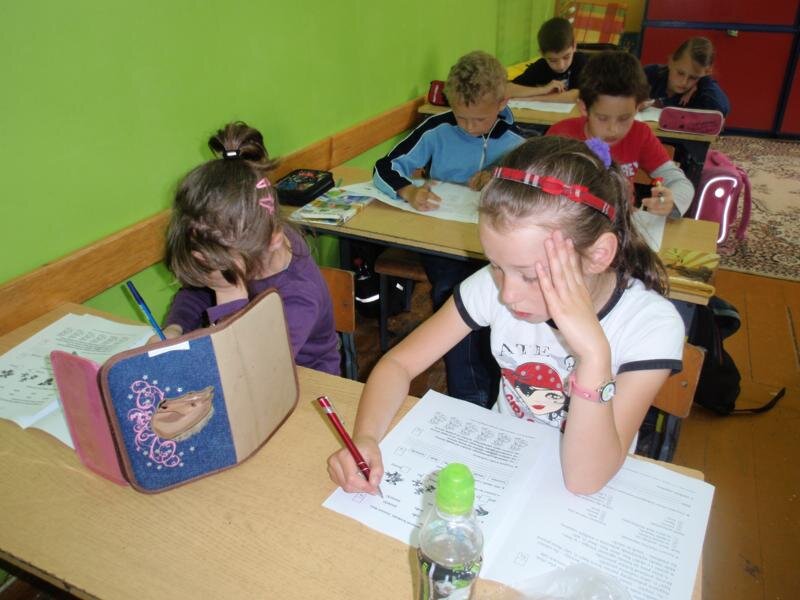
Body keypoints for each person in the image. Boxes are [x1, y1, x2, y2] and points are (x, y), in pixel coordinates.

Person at [328, 136, 685, 496]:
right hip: (502, 468)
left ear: (598, 254)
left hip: (586, 489)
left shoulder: (650, 325)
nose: (507, 294)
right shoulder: (494, 286)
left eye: (529, 276)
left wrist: (593, 357)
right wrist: (367, 437)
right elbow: (399, 364)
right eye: (496, 266)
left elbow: (584, 480)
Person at [373, 50, 525, 408]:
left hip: (492, 247)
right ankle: (469, 398)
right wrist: (409, 191)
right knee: (454, 295)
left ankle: (498, 389)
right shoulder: (437, 128)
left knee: (497, 300)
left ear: (502, 103)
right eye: (461, 116)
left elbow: (532, 194)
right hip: (441, 241)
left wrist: (499, 176)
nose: (469, 127)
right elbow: (385, 167)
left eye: (479, 119)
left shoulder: (517, 142)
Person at [161, 121, 340, 375]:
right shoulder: (252, 239)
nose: (214, 271)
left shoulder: (299, 296)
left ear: (273, 239)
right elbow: (198, 291)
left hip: (304, 380)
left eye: (219, 266)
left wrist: (228, 292)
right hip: (243, 364)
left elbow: (251, 371)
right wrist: (175, 328)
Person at [547, 51, 694, 217]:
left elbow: (679, 182)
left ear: (638, 108)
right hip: (571, 221)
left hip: (621, 221)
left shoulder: (640, 134)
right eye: (602, 118)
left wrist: (670, 202)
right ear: (584, 108)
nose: (613, 129)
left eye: (624, 118)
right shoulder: (560, 136)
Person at [507, 17, 589, 102]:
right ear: (542, 54)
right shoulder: (540, 67)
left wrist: (534, 98)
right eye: (553, 60)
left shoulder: (580, 61)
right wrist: (543, 90)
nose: (561, 66)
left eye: (566, 57)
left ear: (574, 46)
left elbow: (578, 95)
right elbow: (507, 89)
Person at [644, 37, 730, 116]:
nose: (684, 82)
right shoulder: (651, 73)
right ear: (671, 62)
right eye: (680, 73)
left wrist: (703, 80)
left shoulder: (700, 94)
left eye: (693, 77)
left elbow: (721, 109)